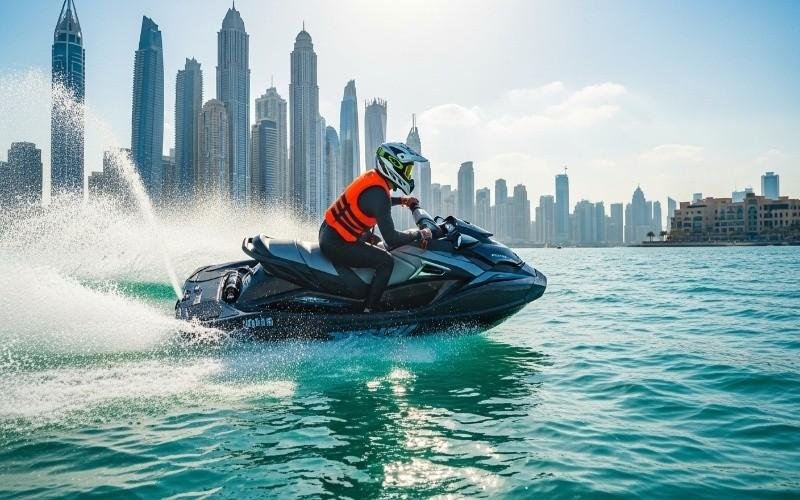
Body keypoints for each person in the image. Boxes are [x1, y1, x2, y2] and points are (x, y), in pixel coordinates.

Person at [320, 142, 433, 312]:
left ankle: (367, 291)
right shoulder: (379, 193)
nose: (408, 175)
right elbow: (392, 237)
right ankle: (370, 309)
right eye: (407, 170)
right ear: (393, 166)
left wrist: (401, 200)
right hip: (337, 244)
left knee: (378, 242)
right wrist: (420, 234)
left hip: (331, 232)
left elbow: (375, 203)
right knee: (386, 261)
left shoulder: (375, 180)